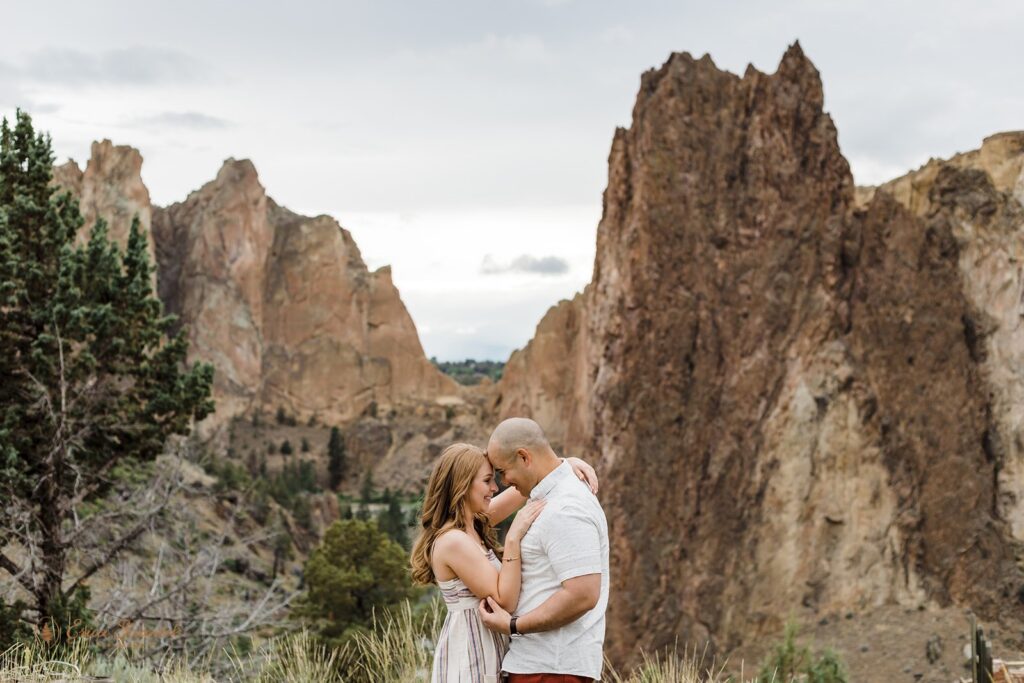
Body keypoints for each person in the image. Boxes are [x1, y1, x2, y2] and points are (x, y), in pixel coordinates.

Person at [410, 442, 599, 683]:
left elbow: (523, 489)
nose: (494, 487)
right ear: (463, 485)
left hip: (488, 651)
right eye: (487, 480)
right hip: (471, 658)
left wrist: (560, 466)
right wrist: (513, 538)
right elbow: (505, 601)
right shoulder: (454, 542)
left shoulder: (474, 524)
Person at [477, 418, 610, 683]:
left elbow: (583, 594)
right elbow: (476, 520)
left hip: (552, 668)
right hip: (543, 666)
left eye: (503, 472)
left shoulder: (565, 508)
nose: (502, 482)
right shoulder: (552, 495)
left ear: (524, 457)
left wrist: (513, 625)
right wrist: (564, 463)